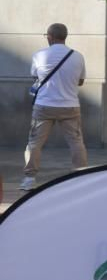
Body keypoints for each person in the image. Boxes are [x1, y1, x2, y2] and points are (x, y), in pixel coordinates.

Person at [20, 22, 88, 191]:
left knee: (34, 143)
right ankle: (80, 176)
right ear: (65, 36)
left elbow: (35, 76)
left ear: (49, 37)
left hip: (44, 105)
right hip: (70, 106)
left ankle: (29, 179)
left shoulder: (39, 55)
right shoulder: (77, 56)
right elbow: (80, 81)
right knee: (76, 142)